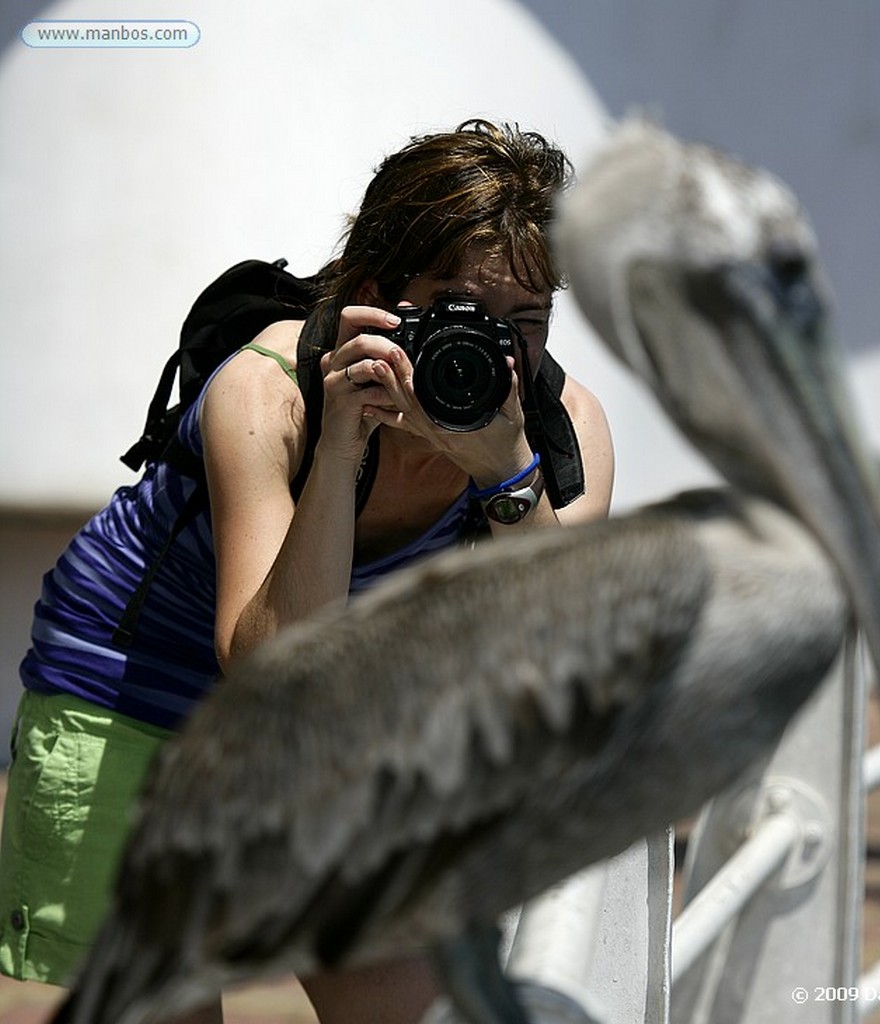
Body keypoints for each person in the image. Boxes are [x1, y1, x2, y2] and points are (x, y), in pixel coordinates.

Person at [0, 120, 614, 1023]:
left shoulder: (562, 440)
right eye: (458, 310)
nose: (492, 348)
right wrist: (337, 450)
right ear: (375, 299)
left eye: (524, 323)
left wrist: (505, 474)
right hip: (136, 702)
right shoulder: (274, 392)